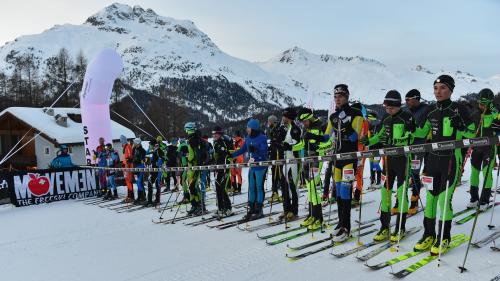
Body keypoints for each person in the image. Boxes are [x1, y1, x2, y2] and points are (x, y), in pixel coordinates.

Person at [411, 75, 475, 255]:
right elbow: (422, 132)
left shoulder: (458, 109)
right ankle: (428, 234)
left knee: (443, 200)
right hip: (432, 160)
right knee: (430, 199)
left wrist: (461, 127)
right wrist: (411, 126)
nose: (438, 91)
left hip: (450, 160)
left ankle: (444, 237)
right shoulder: (430, 110)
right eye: (436, 88)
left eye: (443, 88)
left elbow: (471, 132)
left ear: (451, 90)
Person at [361, 90, 416, 243]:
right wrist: (369, 141)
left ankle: (400, 227)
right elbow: (379, 136)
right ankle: (385, 227)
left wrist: (399, 139)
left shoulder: (407, 117)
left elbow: (413, 136)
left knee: (401, 193)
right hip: (389, 161)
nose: (388, 110)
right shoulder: (385, 118)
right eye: (386, 107)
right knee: (385, 193)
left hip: (403, 160)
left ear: (398, 105)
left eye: (391, 108)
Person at [324, 84, 364, 242]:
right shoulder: (333, 116)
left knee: (346, 193)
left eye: (340, 95)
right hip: (337, 160)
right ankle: (341, 223)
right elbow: (327, 136)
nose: (338, 98)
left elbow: (355, 138)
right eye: (335, 96)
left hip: (349, 159)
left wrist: (346, 122)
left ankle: (346, 227)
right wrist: (313, 139)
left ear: (347, 96)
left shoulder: (356, 113)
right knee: (339, 193)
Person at [468, 88, 500, 210]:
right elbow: (470, 129)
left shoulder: (494, 113)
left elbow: (497, 117)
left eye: (484, 103)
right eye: (480, 102)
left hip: (489, 148)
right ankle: (474, 198)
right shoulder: (475, 113)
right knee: (474, 173)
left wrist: (492, 109)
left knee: (487, 173)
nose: (481, 105)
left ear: (490, 102)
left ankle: (485, 199)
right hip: (476, 148)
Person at [232, 119, 268, 221]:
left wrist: (256, 150)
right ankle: (252, 208)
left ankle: (259, 209)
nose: (247, 129)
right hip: (252, 166)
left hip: (261, 166)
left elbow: (265, 151)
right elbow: (243, 150)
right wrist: (231, 155)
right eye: (247, 127)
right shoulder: (247, 138)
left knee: (259, 187)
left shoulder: (262, 138)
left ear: (254, 128)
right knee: (251, 187)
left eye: (249, 127)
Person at [299, 108, 328, 230]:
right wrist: (290, 146)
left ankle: (319, 218)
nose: (304, 124)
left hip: (316, 159)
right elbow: (302, 144)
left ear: (310, 117)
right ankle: (312, 215)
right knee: (309, 188)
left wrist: (317, 141)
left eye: (305, 121)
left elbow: (328, 143)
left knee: (314, 188)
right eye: (303, 122)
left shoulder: (321, 126)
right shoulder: (307, 128)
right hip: (307, 159)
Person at [404, 89, 429, 215]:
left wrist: (413, 129)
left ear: (416, 98)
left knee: (414, 173)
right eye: (405, 100)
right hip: (406, 146)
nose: (406, 102)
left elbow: (424, 131)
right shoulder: (406, 110)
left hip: (419, 147)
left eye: (408, 99)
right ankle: (401, 202)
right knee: (405, 174)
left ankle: (414, 202)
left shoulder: (426, 110)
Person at [277, 108, 302, 222]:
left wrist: (288, 146)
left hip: (294, 161)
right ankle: (286, 209)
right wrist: (279, 144)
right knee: (285, 186)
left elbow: (299, 144)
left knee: (293, 187)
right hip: (286, 161)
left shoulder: (295, 129)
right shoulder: (287, 129)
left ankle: (294, 211)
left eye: (284, 116)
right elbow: (286, 144)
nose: (283, 118)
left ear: (289, 117)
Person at [212, 126, 234, 218]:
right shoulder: (216, 142)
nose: (214, 135)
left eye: (216, 133)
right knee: (217, 186)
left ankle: (228, 208)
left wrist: (226, 165)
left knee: (222, 186)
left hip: (225, 166)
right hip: (219, 167)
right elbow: (216, 155)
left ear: (220, 133)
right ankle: (220, 208)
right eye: (213, 134)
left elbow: (227, 154)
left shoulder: (224, 140)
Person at [184, 122, 204, 216]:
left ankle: (198, 205)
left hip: (194, 166)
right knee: (192, 186)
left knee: (193, 186)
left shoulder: (193, 139)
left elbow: (194, 154)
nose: (185, 131)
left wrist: (188, 157)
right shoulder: (194, 138)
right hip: (192, 167)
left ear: (189, 129)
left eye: (186, 129)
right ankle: (195, 205)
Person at [267, 115, 284, 203]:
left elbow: (282, 142)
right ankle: (275, 193)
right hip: (274, 154)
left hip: (279, 155)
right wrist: (270, 149)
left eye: (269, 121)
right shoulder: (272, 129)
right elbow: (273, 142)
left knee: (280, 174)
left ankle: (284, 194)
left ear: (273, 121)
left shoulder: (280, 129)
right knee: (274, 174)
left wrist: (276, 143)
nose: (268, 123)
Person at [145, 138, 163, 207]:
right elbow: (146, 153)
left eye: (150, 144)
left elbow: (164, 158)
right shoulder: (153, 150)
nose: (150, 146)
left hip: (158, 170)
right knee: (149, 183)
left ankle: (157, 200)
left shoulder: (159, 150)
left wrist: (158, 162)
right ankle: (149, 201)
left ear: (154, 145)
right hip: (153, 170)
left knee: (157, 184)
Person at [367, 111, 383, 188]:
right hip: (371, 149)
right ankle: (373, 181)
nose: (368, 120)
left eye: (369, 118)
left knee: (376, 164)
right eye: (368, 119)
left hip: (378, 148)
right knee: (371, 165)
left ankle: (379, 182)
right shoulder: (368, 126)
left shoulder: (378, 125)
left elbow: (378, 137)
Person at [132, 138, 147, 205]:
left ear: (138, 143)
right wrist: (131, 159)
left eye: (135, 143)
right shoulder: (134, 149)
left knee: (139, 181)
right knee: (137, 182)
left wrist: (140, 160)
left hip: (140, 167)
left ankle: (143, 197)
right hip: (135, 167)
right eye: (134, 143)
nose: (134, 144)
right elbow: (133, 157)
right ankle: (139, 197)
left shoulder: (142, 150)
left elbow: (143, 159)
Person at [120, 136, 135, 203]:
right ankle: (129, 196)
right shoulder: (124, 147)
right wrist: (123, 164)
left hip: (128, 167)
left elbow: (129, 157)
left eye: (121, 140)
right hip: (125, 167)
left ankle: (131, 197)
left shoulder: (127, 146)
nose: (121, 142)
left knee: (129, 181)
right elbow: (125, 158)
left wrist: (127, 164)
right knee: (127, 181)